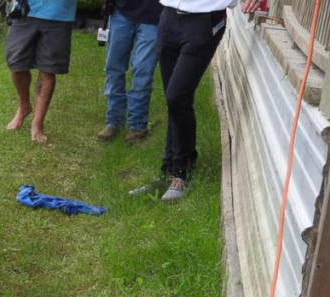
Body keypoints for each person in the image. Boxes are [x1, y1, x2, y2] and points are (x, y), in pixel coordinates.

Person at [130, 0, 260, 202]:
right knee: (173, 102)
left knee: (177, 96)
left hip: (204, 20)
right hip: (169, 16)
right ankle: (169, 170)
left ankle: (181, 173)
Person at [4, 0, 77, 142]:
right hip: (24, 9)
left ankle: (37, 124)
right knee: (16, 65)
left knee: (48, 69)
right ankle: (24, 106)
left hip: (59, 14)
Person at [96, 0, 162, 144]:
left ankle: (137, 126)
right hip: (121, 11)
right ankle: (114, 122)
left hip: (154, 16)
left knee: (142, 71)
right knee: (113, 69)